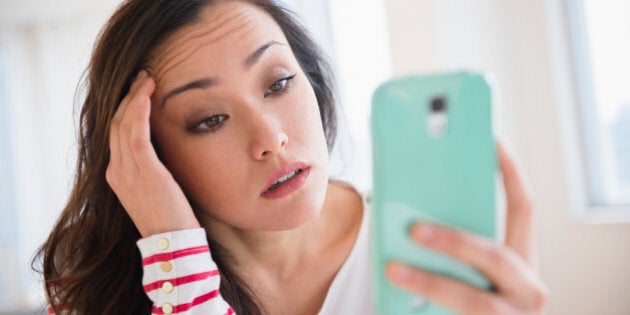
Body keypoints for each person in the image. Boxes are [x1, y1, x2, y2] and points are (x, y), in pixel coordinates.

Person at [36, 0, 548, 314]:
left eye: (279, 83)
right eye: (209, 120)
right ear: (145, 154)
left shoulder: (431, 255)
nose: (271, 138)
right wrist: (176, 261)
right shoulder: (92, 300)